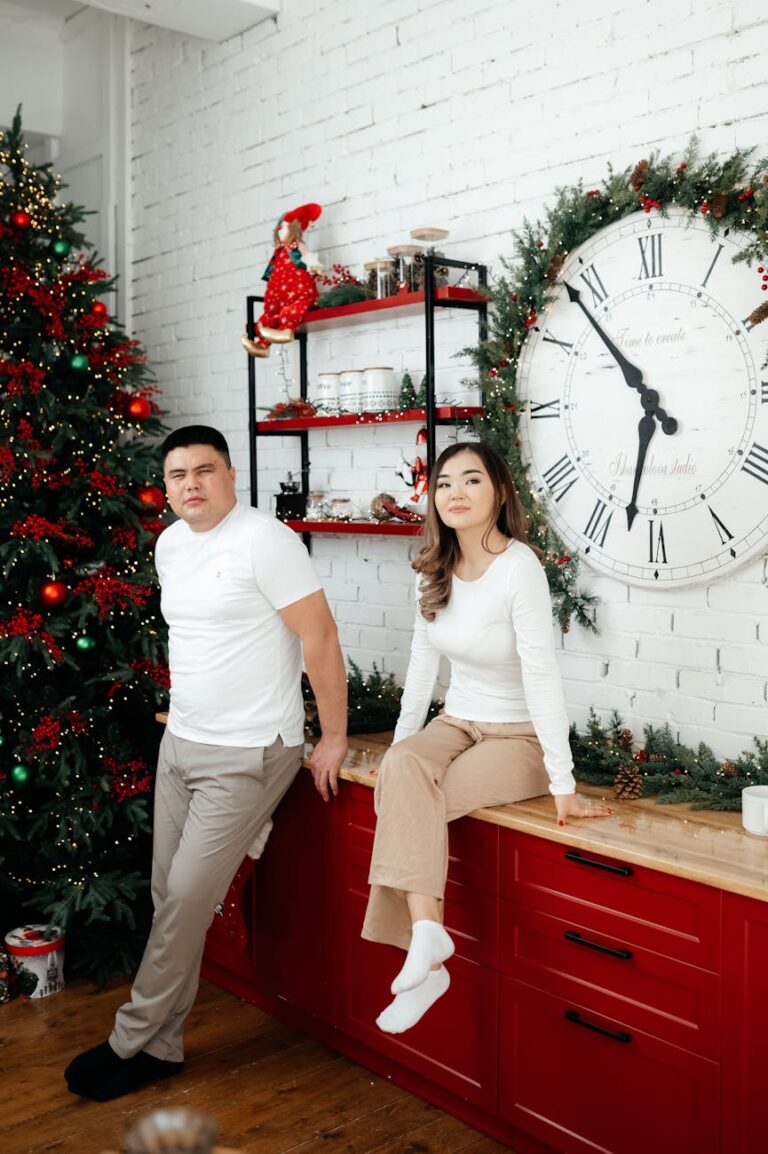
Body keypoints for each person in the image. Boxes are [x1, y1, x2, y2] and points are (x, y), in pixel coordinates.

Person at [65, 425, 347, 1101]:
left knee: (188, 898)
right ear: (166, 487)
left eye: (204, 470)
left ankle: (130, 1040)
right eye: (177, 475)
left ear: (230, 474)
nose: (190, 484)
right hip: (184, 740)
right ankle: (162, 1048)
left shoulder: (266, 542)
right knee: (169, 895)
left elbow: (321, 637)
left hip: (252, 748)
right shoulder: (169, 545)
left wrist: (332, 735)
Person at [362, 441, 611, 1035]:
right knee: (401, 777)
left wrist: (562, 783)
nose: (455, 493)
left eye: (471, 481)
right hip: (456, 723)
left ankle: (424, 958)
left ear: (499, 493)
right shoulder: (431, 565)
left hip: (518, 737)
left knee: (408, 805)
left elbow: (543, 674)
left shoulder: (518, 566)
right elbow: (421, 667)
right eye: (444, 482)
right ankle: (427, 936)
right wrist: (401, 747)